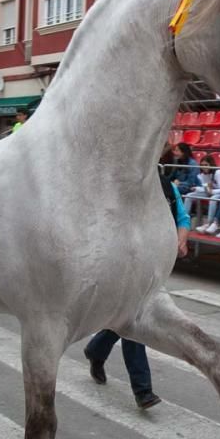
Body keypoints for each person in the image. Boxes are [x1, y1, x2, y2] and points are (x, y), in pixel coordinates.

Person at [84, 172, 191, 410]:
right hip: (125, 264)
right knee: (135, 320)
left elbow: (183, 219)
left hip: (154, 265)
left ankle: (96, 350)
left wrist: (180, 240)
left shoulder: (165, 186)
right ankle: (143, 390)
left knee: (125, 319)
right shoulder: (123, 186)